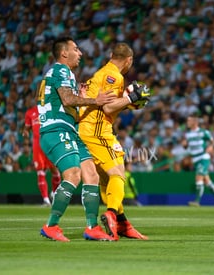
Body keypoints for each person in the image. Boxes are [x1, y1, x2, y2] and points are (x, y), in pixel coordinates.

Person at [38, 36, 118, 242]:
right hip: (56, 129)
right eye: (76, 49)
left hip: (69, 129)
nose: (80, 53)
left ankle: (92, 228)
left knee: (92, 175)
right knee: (73, 174)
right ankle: (51, 226)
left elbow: (68, 102)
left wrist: (81, 99)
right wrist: (94, 100)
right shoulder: (61, 70)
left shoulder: (67, 75)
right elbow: (67, 99)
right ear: (64, 53)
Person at [79, 42, 150, 240]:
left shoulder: (102, 72)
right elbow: (108, 109)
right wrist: (131, 98)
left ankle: (123, 224)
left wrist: (127, 103)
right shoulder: (114, 76)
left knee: (105, 179)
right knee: (118, 173)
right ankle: (112, 214)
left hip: (88, 129)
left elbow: (108, 106)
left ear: (111, 55)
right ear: (129, 60)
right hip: (98, 130)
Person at [23, 104, 61, 206]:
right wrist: (25, 132)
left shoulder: (51, 108)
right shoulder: (30, 112)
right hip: (37, 146)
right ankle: (45, 200)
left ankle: (54, 194)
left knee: (55, 170)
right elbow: (26, 128)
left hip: (50, 143)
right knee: (40, 171)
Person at [185, 113, 214, 206]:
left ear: (195, 122)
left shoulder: (203, 132)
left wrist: (210, 147)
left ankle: (197, 201)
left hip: (203, 157)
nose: (187, 122)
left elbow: (213, 141)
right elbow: (187, 147)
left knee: (198, 177)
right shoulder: (188, 134)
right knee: (207, 181)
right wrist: (184, 145)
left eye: (189, 120)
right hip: (195, 159)